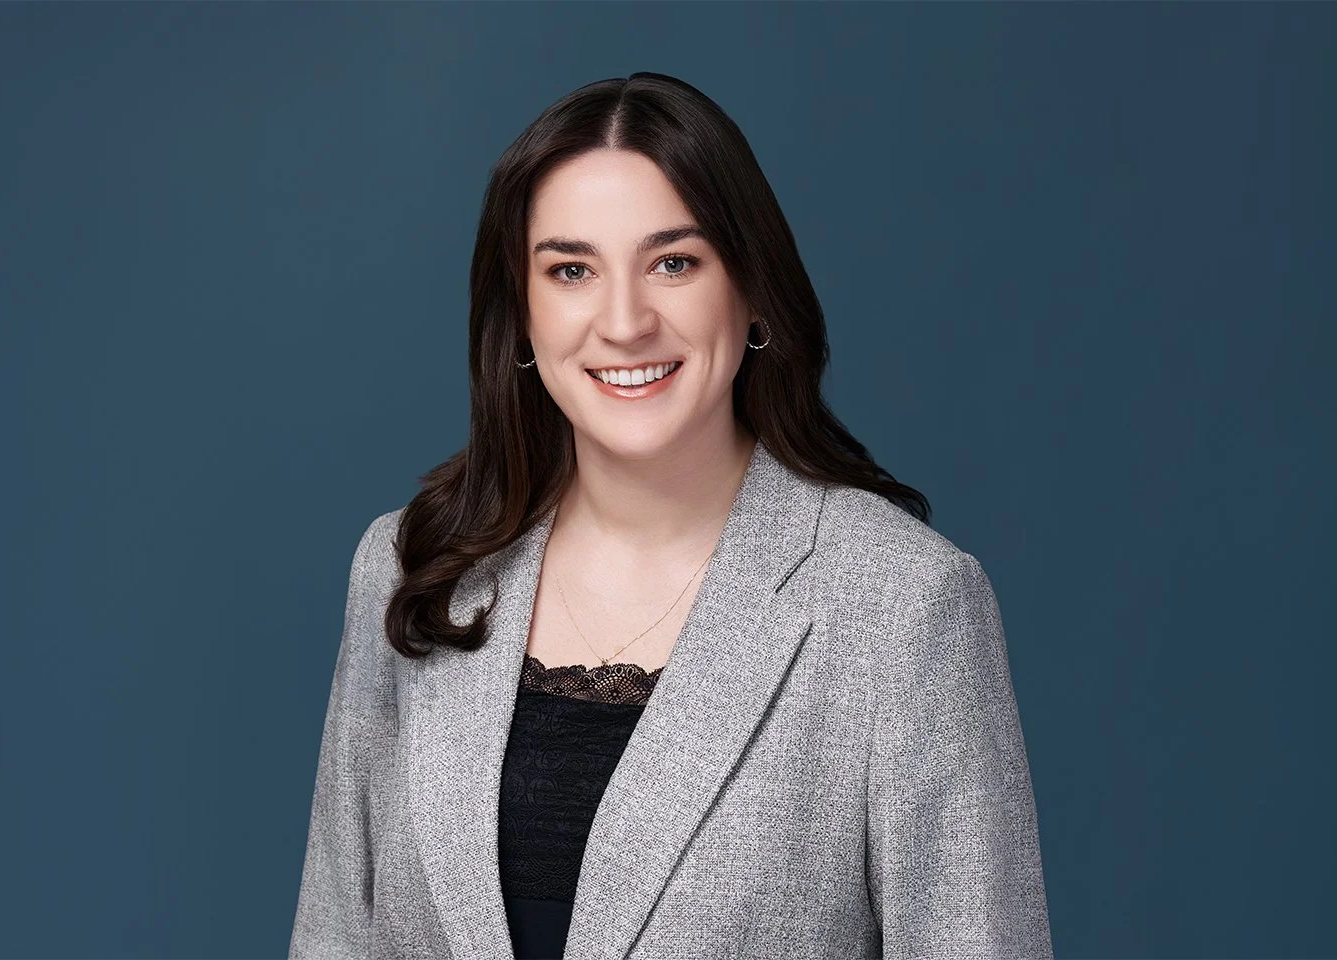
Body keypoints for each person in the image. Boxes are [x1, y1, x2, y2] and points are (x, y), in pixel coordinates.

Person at [289, 71, 1053, 960]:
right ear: (523, 316)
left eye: (674, 263)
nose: (623, 322)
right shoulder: (414, 567)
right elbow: (336, 935)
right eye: (571, 270)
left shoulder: (903, 604)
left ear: (752, 289)